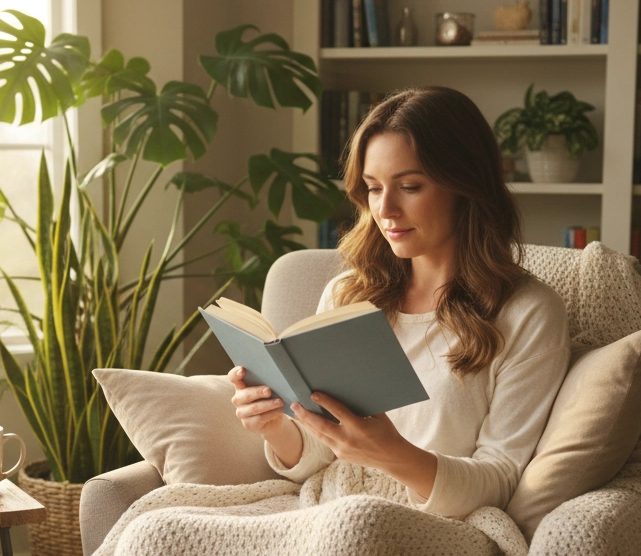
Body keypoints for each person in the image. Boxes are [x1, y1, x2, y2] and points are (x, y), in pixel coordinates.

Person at [229, 85, 571, 520]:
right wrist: (275, 426)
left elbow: (502, 477)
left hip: (436, 526)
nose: (385, 209)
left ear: (465, 187)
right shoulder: (349, 294)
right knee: (159, 535)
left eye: (409, 186)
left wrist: (395, 456)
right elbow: (318, 452)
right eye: (373, 188)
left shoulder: (527, 312)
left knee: (356, 530)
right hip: (326, 508)